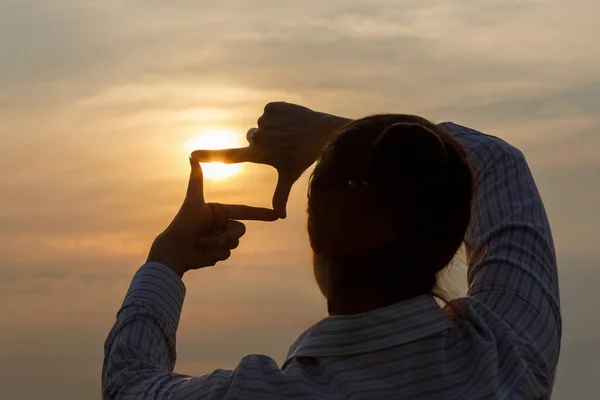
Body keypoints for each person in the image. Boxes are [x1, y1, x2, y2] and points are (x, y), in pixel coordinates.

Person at [102, 102, 560, 399]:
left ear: (315, 231)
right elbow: (497, 162)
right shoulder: (507, 362)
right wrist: (335, 132)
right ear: (449, 241)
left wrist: (167, 257)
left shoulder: (258, 393)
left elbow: (129, 384)